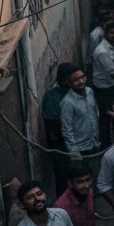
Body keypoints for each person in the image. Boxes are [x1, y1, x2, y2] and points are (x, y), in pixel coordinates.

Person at [58, 66, 100, 177]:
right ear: (69, 83)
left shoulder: (90, 92)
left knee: (96, 176)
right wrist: (75, 154)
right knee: (83, 179)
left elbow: (95, 113)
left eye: (82, 77)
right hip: (81, 150)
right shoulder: (67, 102)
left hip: (94, 144)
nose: (81, 81)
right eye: (76, 80)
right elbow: (67, 130)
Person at [42, 64, 72, 196]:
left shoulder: (78, 93)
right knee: (63, 181)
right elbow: (52, 123)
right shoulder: (52, 96)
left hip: (79, 143)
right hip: (61, 146)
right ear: (63, 80)